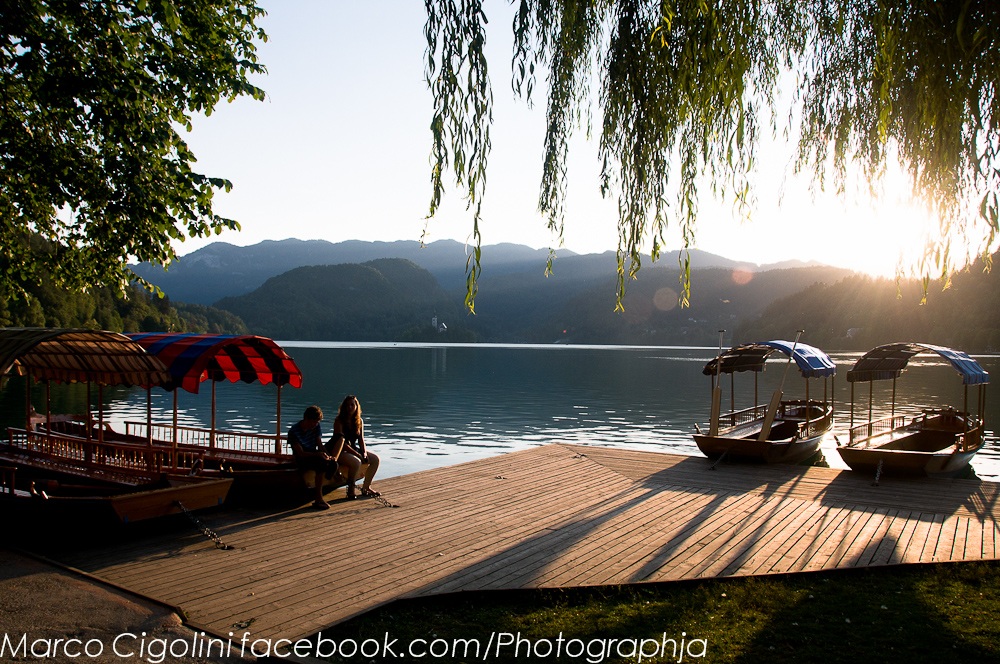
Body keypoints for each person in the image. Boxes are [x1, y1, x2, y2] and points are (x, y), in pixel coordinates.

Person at [287, 405, 338, 509]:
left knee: (332, 463)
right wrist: (318, 454)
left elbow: (319, 444)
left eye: (317, 422)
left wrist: (329, 456)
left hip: (313, 454)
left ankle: (325, 487)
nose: (315, 424)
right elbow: (300, 453)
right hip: (301, 458)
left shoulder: (316, 427)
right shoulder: (294, 432)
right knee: (320, 464)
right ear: (306, 419)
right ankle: (318, 498)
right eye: (314, 422)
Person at [331, 394, 380, 499]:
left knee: (375, 459)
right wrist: (357, 454)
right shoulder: (339, 421)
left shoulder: (359, 421)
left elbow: (361, 439)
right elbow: (341, 443)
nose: (350, 407)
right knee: (356, 462)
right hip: (340, 450)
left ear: (356, 406)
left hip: (353, 448)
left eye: (352, 405)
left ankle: (366, 487)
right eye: (347, 405)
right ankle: (351, 490)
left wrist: (364, 453)